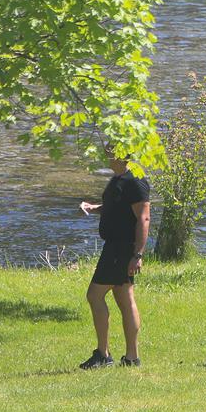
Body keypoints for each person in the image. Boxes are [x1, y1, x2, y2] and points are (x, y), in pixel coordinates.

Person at [77, 150, 150, 369]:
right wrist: (94, 208)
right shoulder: (118, 178)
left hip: (122, 249)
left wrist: (137, 254)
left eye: (110, 150)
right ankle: (131, 358)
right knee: (125, 300)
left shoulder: (135, 181)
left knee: (94, 295)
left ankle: (103, 354)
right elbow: (117, 209)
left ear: (120, 154)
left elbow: (143, 218)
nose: (106, 154)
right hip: (115, 247)